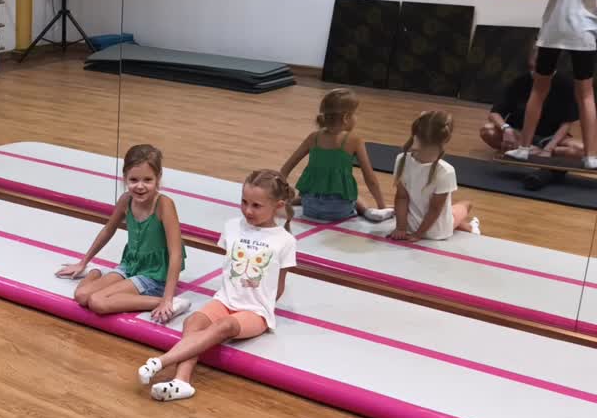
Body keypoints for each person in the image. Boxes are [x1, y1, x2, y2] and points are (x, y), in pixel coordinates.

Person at [135, 170, 298, 401]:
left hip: (255, 311)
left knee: (225, 326)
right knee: (193, 321)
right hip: (224, 300)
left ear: (278, 205)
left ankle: (161, 362)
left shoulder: (285, 241)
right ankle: (182, 381)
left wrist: (258, 299)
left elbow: (279, 287)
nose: (248, 210)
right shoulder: (232, 226)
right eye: (244, 202)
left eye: (256, 205)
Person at [480, 0, 597, 170]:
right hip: (585, 32)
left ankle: (524, 148)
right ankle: (591, 156)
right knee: (586, 95)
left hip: (555, 31)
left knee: (539, 89)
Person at [55, 144, 190, 323]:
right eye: (133, 180)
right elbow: (108, 229)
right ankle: (94, 272)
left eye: (147, 180)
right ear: (125, 178)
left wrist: (167, 298)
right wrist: (83, 262)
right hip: (130, 265)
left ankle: (172, 303)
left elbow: (176, 254)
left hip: (154, 274)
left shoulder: (164, 205)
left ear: (158, 178)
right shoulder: (126, 200)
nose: (140, 186)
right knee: (81, 295)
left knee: (98, 302)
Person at [280, 88, 395, 223]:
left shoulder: (313, 138)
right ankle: (367, 211)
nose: (356, 118)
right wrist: (381, 205)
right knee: (353, 195)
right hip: (339, 210)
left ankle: (286, 202)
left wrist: (282, 192)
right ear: (346, 118)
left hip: (309, 207)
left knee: (314, 191)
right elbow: (371, 179)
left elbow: (284, 170)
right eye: (355, 114)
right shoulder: (354, 140)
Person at [480, 46, 584, 189]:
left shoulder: (565, 84)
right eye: (533, 67)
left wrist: (549, 148)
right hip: (520, 134)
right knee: (487, 130)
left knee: (580, 150)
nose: (535, 71)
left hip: (550, 137)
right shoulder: (519, 82)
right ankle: (532, 151)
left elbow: (567, 123)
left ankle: (537, 153)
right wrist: (506, 129)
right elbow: (495, 113)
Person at [390, 111, 480, 241]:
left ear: (415, 136)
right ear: (446, 139)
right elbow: (435, 209)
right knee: (466, 204)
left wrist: (401, 228)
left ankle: (470, 227)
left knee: (451, 211)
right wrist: (418, 235)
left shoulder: (401, 159)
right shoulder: (446, 171)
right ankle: (472, 227)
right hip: (436, 231)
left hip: (411, 225)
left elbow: (401, 198)